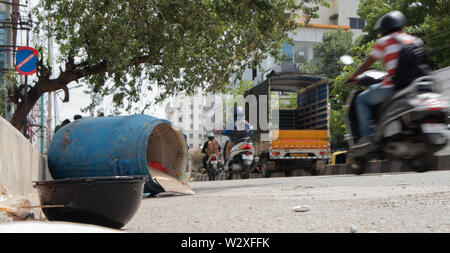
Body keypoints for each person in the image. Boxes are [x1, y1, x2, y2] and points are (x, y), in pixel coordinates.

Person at [345, 10, 422, 148]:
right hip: (415, 85)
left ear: (384, 27)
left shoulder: (384, 41)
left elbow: (367, 64)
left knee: (361, 100)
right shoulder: (413, 39)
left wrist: (354, 76)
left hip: (393, 86)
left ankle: (367, 138)